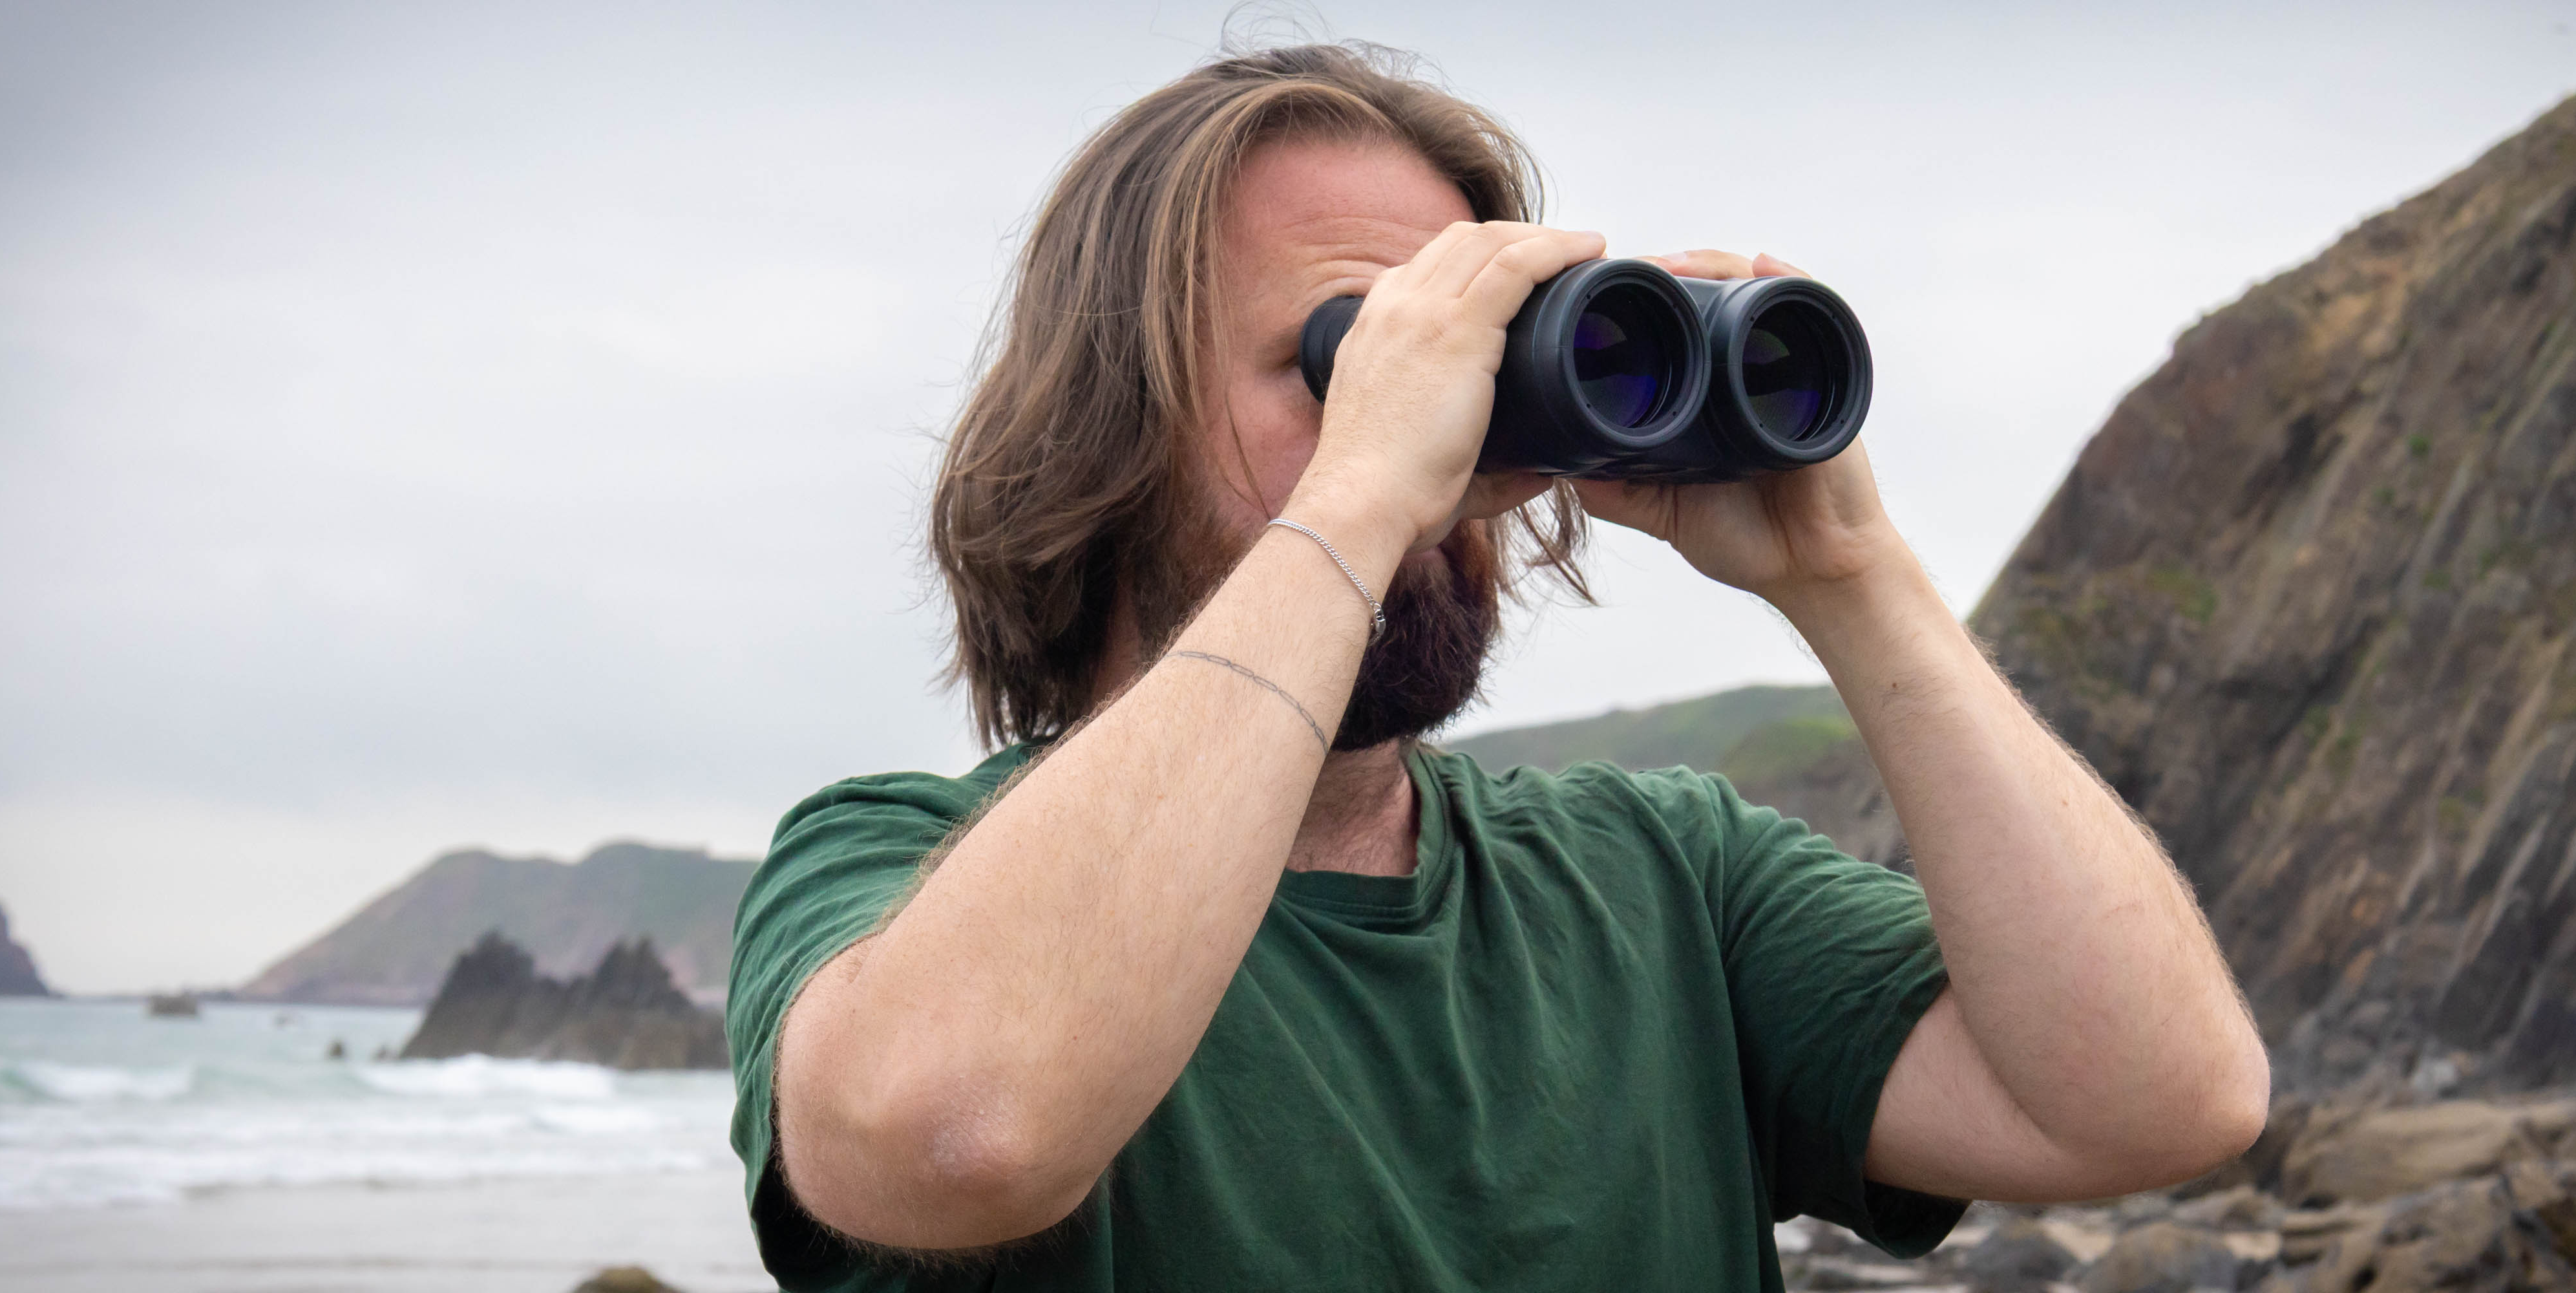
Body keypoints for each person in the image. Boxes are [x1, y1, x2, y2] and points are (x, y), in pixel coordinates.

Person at [725, 41, 2267, 1293]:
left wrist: (1857, 582)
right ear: (1110, 425)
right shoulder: (892, 873)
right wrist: (1357, 498)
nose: (1441, 431)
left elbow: (2158, 1101)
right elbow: (964, 1131)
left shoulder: (1666, 880)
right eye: (1352, 352)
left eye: (1465, 359)